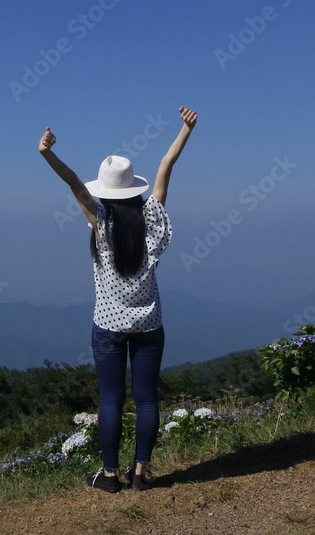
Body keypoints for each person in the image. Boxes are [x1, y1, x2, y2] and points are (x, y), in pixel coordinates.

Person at [38, 106, 198, 492]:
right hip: (149, 325)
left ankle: (109, 476)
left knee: (110, 400)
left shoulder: (100, 222)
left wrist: (46, 153)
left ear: (105, 191)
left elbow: (74, 182)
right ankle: (140, 473)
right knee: (146, 400)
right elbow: (166, 164)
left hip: (107, 327)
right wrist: (186, 128)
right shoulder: (153, 220)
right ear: (134, 188)